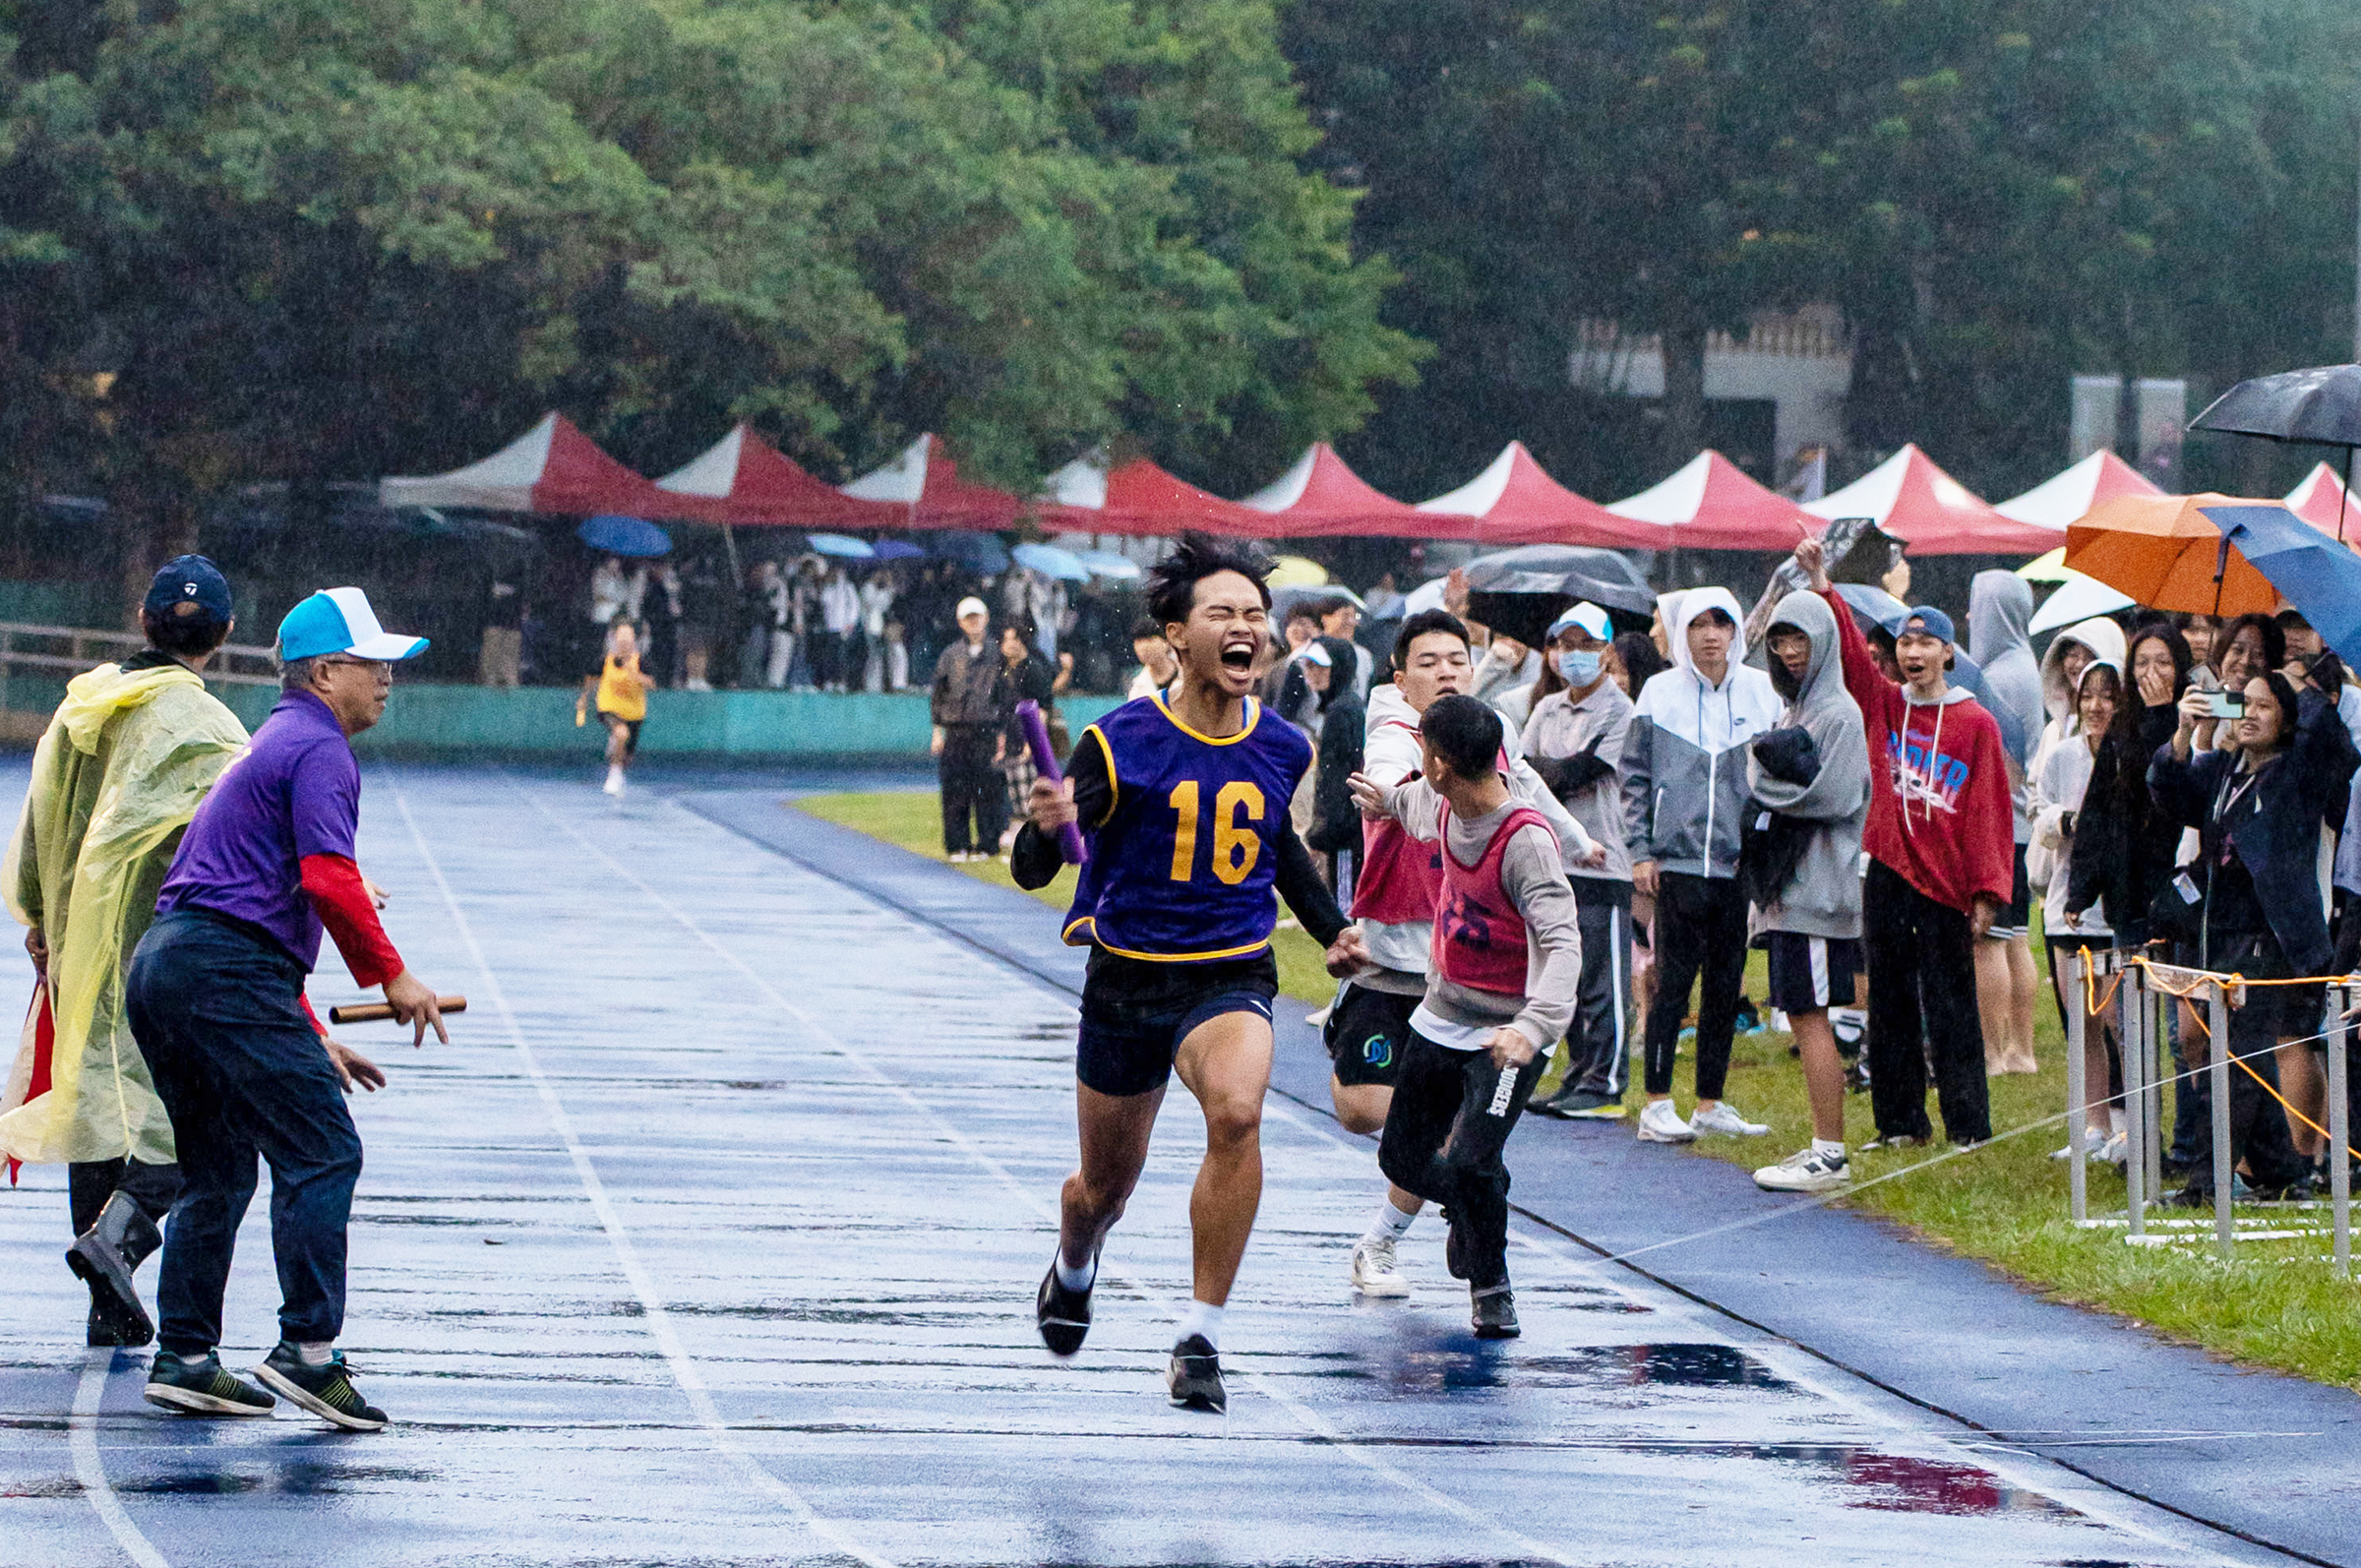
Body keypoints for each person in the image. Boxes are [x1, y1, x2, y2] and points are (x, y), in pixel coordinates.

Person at [1014, 536, 1367, 1414]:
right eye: (1223, 613)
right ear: (1177, 635)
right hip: (1128, 979)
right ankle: (1074, 1261)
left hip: (1231, 973)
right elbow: (1034, 868)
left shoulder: (1283, 745)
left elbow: (1279, 848)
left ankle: (1201, 1336)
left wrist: (1333, 929)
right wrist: (1042, 822)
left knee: (1240, 1114)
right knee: (1104, 1189)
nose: (1245, 627)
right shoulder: (1117, 741)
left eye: (1256, 615)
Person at [129, 586, 447, 1429]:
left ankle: (186, 1357)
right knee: (324, 1150)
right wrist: (393, 977)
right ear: (326, 670)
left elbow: (244, 907)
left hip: (170, 968)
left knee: (221, 1168)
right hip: (221, 972)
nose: (388, 680)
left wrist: (307, 1031)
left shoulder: (277, 739)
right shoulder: (319, 748)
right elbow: (325, 880)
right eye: (374, 665)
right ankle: (308, 1353)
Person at [1, 557, 253, 1347]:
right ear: (225, 636)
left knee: (95, 1106)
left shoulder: (84, 705)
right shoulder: (208, 727)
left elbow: (39, 819)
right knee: (184, 1112)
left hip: (80, 941)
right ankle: (118, 1246)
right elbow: (241, 828)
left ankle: (106, 1305)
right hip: (162, 941)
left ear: (143, 622)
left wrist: (42, 918)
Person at [1331, 609, 1599, 1297]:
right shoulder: (1397, 733)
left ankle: (1388, 1244)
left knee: (1460, 1138)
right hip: (1393, 961)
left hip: (1469, 986)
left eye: (1458, 659)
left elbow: (1530, 788)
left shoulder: (1490, 743)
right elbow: (1398, 778)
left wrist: (1576, 842)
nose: (1447, 671)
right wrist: (1389, 795)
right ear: (1401, 680)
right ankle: (1467, 1183)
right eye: (1430, 662)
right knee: (1362, 1109)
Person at [1798, 537, 2012, 1149]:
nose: (1914, 652)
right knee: (1889, 1002)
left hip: (1945, 882)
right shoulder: (1885, 706)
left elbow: (1988, 812)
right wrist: (1822, 582)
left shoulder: (1975, 723)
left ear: (1948, 653)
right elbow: (1847, 658)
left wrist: (1987, 891)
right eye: (1905, 643)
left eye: (1926, 643)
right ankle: (1898, 1124)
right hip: (1888, 871)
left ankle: (1969, 1126)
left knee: (1951, 1005)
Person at [2151, 663, 2355, 1203]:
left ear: (2287, 719)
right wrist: (2184, 732)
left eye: (2265, 706)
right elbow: (2172, 796)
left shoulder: (2299, 772)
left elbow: (2338, 748)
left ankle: (2207, 1182)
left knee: (2241, 1058)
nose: (2250, 714)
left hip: (2275, 935)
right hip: (2221, 930)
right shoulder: (2224, 768)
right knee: (2240, 1055)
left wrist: (2301, 685)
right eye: (2244, 702)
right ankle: (2282, 1171)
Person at [1621, 588, 1783, 1143]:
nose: (1711, 635)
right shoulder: (1658, 694)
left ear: (1737, 631)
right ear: (1682, 631)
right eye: (1698, 625)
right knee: (1672, 984)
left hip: (1739, 866)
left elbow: (1779, 776)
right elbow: (1635, 778)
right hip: (1678, 864)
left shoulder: (1763, 693)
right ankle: (1657, 1102)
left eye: (1722, 624)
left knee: (1724, 985)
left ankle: (1710, 1101)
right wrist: (1640, 850)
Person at [1744, 590, 1870, 1193]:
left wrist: (1762, 781)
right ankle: (1823, 1143)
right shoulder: (1794, 710)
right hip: (1789, 891)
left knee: (1813, 1016)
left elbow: (1835, 796)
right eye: (1780, 640)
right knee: (1799, 1014)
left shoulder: (1839, 714)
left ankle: (1830, 1153)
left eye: (1801, 639)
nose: (1791, 652)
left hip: (1821, 893)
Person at [1522, 603, 1639, 1118]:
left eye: (1585, 645)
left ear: (1607, 652)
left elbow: (1583, 770)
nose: (1573, 656)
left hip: (1603, 860)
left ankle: (1607, 1081)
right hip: (1553, 858)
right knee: (1562, 973)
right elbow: (1523, 772)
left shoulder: (1621, 711)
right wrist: (1552, 770)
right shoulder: (1546, 709)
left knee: (1603, 977)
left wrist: (1550, 770)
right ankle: (1577, 1075)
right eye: (1565, 645)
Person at [2034, 659, 2129, 1161]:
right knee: (2082, 1023)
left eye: (2107, 696)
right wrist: (2065, 822)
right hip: (2064, 905)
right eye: (2087, 695)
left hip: (2112, 912)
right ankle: (2092, 1124)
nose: (2096, 706)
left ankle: (2129, 1123)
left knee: (2117, 1018)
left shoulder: (2130, 756)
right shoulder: (2063, 754)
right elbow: (2039, 809)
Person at [1968, 572, 2045, 1077]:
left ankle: (1996, 1052)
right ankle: (2023, 1049)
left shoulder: (2000, 676)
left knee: (1988, 941)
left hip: (2002, 829)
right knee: (2016, 937)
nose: (1972, 617)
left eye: (1978, 607)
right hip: (2021, 828)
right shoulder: (2025, 665)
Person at [931, 597, 1005, 862]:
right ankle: (957, 845)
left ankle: (987, 844)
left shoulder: (997, 654)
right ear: (960, 622)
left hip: (986, 730)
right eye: (968, 618)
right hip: (956, 731)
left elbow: (1004, 697)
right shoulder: (950, 655)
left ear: (985, 618)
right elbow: (939, 694)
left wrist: (1002, 735)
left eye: (977, 617)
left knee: (987, 791)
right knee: (954, 791)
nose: (973, 622)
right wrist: (937, 731)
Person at [1304, 636, 1367, 899]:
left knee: (1345, 906)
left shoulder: (1341, 711)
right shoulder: (1345, 706)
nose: (1311, 673)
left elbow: (1337, 777)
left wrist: (1323, 831)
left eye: (1320, 665)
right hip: (1347, 827)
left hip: (1344, 832)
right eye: (1308, 665)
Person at [993, 619, 1056, 847]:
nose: (1009, 645)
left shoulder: (1034, 670)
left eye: (1014, 639)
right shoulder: (1003, 672)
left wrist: (1033, 743)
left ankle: (1032, 839)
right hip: (1010, 737)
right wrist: (1001, 744)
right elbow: (1001, 710)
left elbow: (1043, 709)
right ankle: (1017, 836)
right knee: (1013, 790)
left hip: (1027, 739)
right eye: (1005, 640)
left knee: (1028, 791)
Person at [576, 618, 650, 797]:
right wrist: (584, 698)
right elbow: (591, 678)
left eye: (628, 640)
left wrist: (635, 675)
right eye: (621, 639)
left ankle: (618, 757)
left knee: (627, 756)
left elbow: (651, 684)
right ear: (615, 640)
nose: (624, 644)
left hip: (634, 713)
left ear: (634, 641)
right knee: (621, 733)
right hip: (609, 708)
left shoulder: (641, 662)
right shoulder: (605, 661)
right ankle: (613, 775)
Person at [1320, 595, 1375, 696]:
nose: (1351, 622)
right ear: (1325, 619)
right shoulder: (1317, 651)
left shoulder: (1363, 655)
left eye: (1354, 617)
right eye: (1345, 616)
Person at [480, 570, 524, 687]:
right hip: (493, 625)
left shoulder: (520, 578)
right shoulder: (486, 578)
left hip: (512, 626)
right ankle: (491, 681)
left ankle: (509, 682)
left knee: (510, 661)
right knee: (491, 657)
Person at [1126, 619, 1179, 699]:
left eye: (1150, 640)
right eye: (1139, 641)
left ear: (1167, 642)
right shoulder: (1137, 690)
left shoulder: (1189, 674)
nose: (1144, 647)